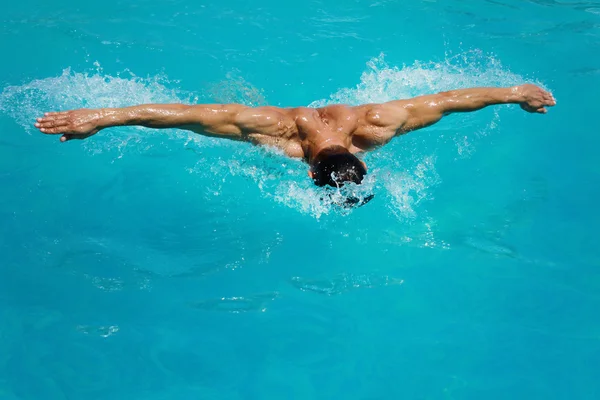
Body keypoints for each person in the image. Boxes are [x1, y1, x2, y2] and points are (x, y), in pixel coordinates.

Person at [35, 84, 555, 189]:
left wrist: (513, 92)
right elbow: (185, 113)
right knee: (227, 102)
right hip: (284, 113)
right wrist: (101, 113)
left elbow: (444, 100)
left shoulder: (380, 124)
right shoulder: (271, 130)